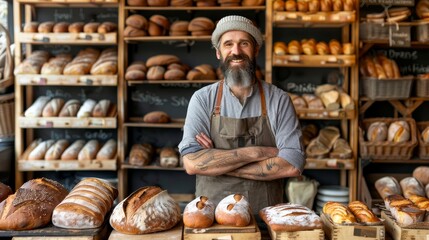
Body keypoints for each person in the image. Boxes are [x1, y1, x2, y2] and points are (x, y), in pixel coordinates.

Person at [178, 15, 305, 214]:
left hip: (265, 219)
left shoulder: (279, 100)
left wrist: (216, 163)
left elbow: (291, 165)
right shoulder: (202, 99)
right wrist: (260, 153)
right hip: (211, 217)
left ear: (255, 50)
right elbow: (192, 163)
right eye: (228, 44)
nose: (236, 52)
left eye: (244, 43)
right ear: (218, 53)